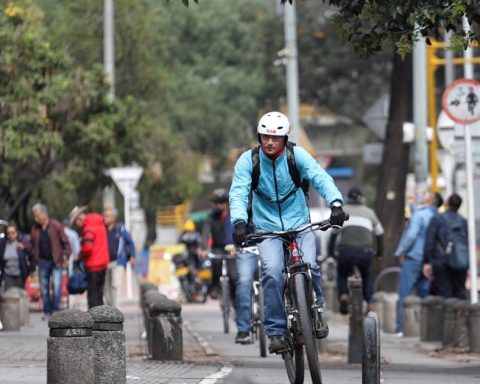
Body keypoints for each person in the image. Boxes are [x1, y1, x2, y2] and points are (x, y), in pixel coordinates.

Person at [229, 111, 346, 354]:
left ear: (285, 138)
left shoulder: (297, 155)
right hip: (267, 228)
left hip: (299, 223)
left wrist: (335, 204)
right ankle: (276, 331)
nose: (270, 142)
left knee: (311, 265)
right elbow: (239, 192)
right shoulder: (248, 161)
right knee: (271, 272)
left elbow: (319, 177)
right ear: (259, 137)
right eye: (265, 137)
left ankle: (317, 310)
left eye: (276, 138)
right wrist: (239, 222)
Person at [328, 187, 384, 314]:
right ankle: (369, 302)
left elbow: (333, 235)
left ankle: (343, 295)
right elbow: (380, 234)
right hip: (366, 252)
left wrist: (331, 253)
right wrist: (379, 252)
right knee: (367, 274)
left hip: (346, 252)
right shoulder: (370, 213)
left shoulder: (343, 211)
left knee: (342, 274)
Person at [394, 190, 437, 335]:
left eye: (424, 194)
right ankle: (427, 329)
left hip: (413, 258)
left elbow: (411, 235)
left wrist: (400, 251)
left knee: (404, 293)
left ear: (430, 199)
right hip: (428, 261)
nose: (421, 196)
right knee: (425, 293)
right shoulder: (435, 215)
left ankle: (401, 328)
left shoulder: (420, 215)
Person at [423, 193, 469, 299]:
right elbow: (467, 243)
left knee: (444, 294)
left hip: (441, 262)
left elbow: (430, 242)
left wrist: (426, 262)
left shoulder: (437, 219)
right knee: (459, 293)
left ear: (447, 203)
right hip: (460, 263)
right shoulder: (463, 221)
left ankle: (447, 316)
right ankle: (459, 315)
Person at [30, 203, 71, 320]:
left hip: (56, 260)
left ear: (43, 214)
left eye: (37, 216)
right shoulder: (35, 228)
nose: (35, 218)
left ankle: (55, 310)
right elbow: (32, 244)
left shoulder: (56, 225)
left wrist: (66, 257)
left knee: (57, 286)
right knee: (44, 287)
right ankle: (47, 311)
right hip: (42, 261)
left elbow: (66, 242)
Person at [69, 206, 109, 308]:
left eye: (75, 223)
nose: (77, 226)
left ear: (79, 218)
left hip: (93, 265)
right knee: (99, 295)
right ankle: (100, 318)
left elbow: (87, 247)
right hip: (103, 264)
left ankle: (95, 320)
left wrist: (80, 255)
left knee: (93, 296)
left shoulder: (88, 228)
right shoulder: (99, 224)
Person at [201, 189, 236, 300]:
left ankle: (235, 300)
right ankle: (215, 287)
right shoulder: (211, 217)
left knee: (234, 276)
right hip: (218, 248)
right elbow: (205, 233)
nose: (216, 206)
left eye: (219, 203)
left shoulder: (235, 215)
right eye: (215, 203)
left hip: (233, 248)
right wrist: (204, 248)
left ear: (226, 203)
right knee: (215, 262)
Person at [103, 207, 136, 307]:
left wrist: (132, 256)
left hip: (118, 262)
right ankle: (109, 309)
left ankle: (115, 309)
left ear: (113, 218)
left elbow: (130, 242)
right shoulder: (102, 229)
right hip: (104, 262)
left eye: (107, 216)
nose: (105, 218)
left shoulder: (120, 228)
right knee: (106, 287)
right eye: (104, 216)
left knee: (115, 285)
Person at [0, 223, 34, 290]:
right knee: (9, 296)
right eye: (8, 233)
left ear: (17, 233)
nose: (10, 235)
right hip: (8, 276)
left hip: (21, 275)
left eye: (13, 233)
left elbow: (32, 256)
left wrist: (30, 271)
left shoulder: (22, 243)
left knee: (21, 296)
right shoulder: (3, 244)